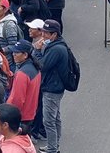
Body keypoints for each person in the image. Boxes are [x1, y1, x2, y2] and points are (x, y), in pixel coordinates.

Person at [32, 19, 69, 153]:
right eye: (43, 32)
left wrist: (37, 51)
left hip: (52, 88)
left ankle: (53, 148)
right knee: (55, 118)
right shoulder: (57, 45)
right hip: (55, 86)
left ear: (54, 35)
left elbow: (41, 65)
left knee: (49, 120)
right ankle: (54, 145)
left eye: (47, 33)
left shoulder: (56, 49)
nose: (43, 35)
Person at [6, 40, 41, 130]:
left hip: (20, 116)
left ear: (25, 55)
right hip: (30, 113)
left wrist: (9, 114)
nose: (13, 54)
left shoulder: (22, 74)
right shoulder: (34, 68)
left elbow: (18, 99)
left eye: (16, 52)